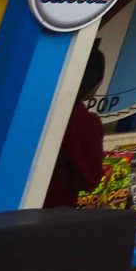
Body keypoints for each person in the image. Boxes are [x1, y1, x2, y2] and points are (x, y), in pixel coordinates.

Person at [45, 48, 106, 207]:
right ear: (95, 80)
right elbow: (89, 178)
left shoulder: (40, 109)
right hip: (54, 209)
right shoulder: (85, 122)